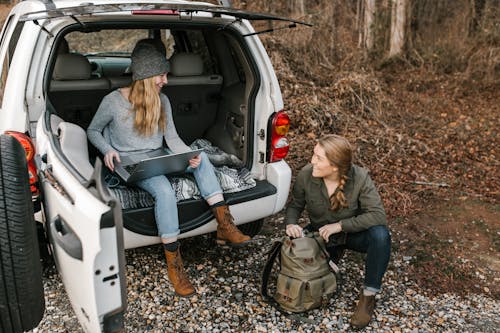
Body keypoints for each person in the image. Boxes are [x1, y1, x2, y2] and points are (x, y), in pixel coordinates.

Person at [87, 41, 251, 297]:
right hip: (130, 162)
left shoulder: (162, 100)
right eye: (161, 75)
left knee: (202, 158)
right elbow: (93, 131)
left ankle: (224, 223)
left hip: (158, 155)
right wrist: (108, 149)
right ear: (145, 76)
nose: (166, 80)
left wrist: (188, 156)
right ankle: (175, 264)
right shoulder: (113, 101)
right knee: (164, 191)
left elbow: (172, 139)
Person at [285, 134, 391, 329]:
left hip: (352, 235)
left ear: (334, 166)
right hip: (322, 236)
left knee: (381, 236)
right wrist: (291, 224)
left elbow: (378, 216)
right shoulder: (306, 174)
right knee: (300, 260)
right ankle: (331, 257)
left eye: (319, 158)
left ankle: (368, 297)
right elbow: (295, 206)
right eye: (313, 155)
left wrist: (340, 226)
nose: (312, 161)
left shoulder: (359, 178)